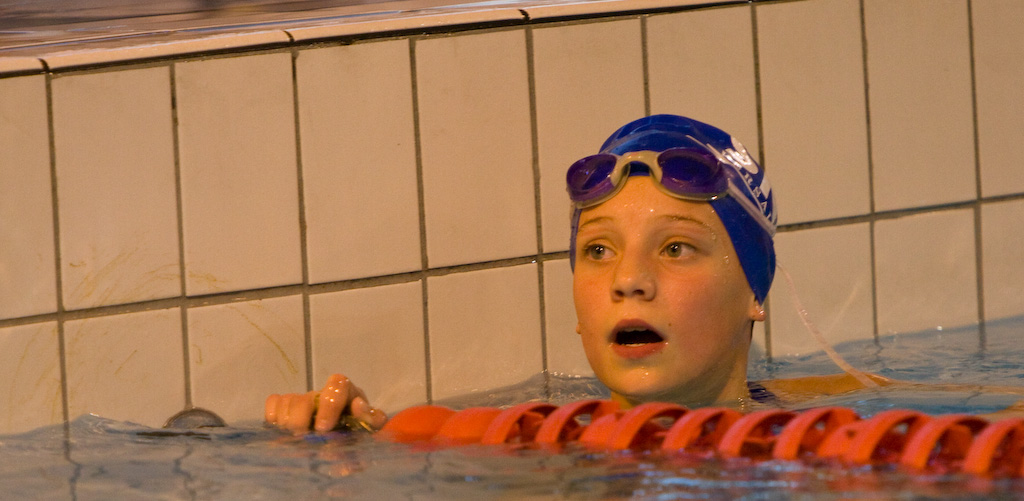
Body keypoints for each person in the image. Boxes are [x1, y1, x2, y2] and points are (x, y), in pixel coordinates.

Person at [263, 114, 1006, 433]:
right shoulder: (529, 429)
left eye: (675, 248)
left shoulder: (828, 430)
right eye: (599, 251)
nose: (629, 281)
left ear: (755, 291)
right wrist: (339, 426)